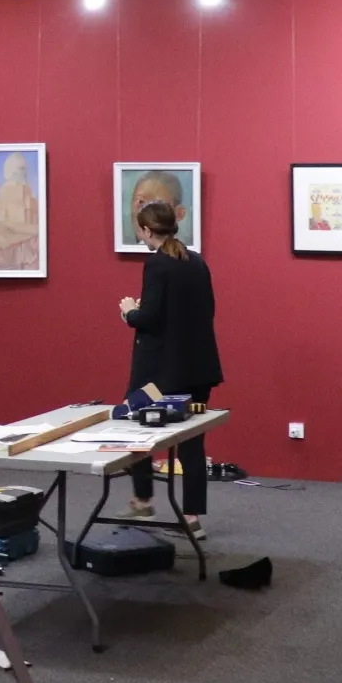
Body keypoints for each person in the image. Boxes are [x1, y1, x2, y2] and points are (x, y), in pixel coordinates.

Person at [116, 200, 222, 538]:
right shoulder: (197, 261)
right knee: (192, 443)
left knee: (134, 427)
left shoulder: (157, 264)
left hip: (160, 374)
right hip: (199, 369)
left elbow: (148, 319)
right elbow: (204, 310)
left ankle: (142, 499)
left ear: (148, 230)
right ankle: (191, 519)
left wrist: (129, 311)